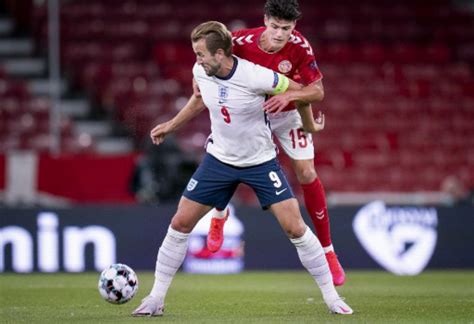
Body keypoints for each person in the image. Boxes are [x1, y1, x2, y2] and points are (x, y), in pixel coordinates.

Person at [132, 21, 352, 316]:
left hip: (260, 162)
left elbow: (304, 89)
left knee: (295, 227)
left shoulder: (257, 76)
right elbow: (199, 100)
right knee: (180, 223)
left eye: (200, 54)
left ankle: (332, 298)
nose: (196, 61)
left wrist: (295, 103)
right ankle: (155, 299)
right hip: (218, 160)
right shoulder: (201, 72)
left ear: (221, 54)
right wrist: (170, 126)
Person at [202, 0, 346, 286]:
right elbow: (214, 61)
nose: (280, 34)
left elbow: (316, 92)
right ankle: (219, 214)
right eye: (276, 26)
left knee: (307, 172)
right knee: (228, 159)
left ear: (294, 26)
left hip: (287, 112)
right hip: (252, 113)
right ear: (265, 20)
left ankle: (328, 252)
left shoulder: (300, 47)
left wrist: (291, 97)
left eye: (287, 28)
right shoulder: (240, 41)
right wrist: (201, 79)